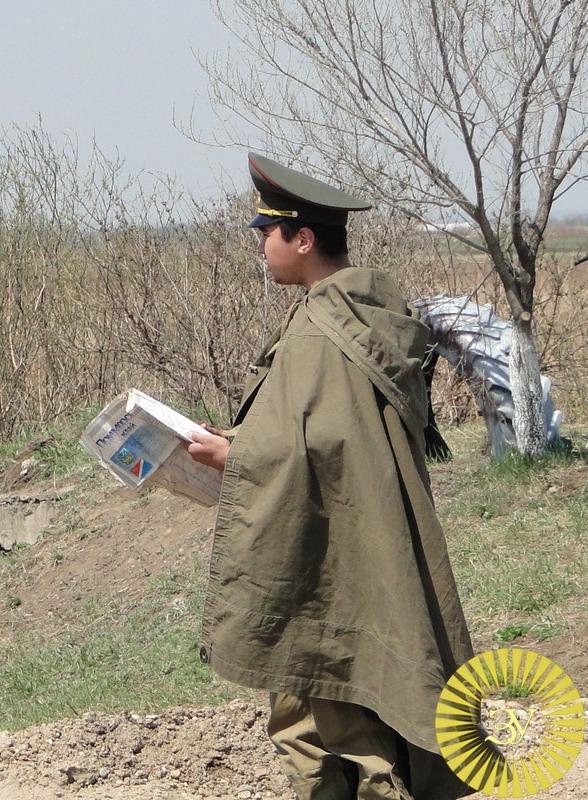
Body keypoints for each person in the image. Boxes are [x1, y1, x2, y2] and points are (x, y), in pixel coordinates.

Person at [184, 154, 474, 800]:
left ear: (303, 239)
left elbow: (322, 441)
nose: (261, 246)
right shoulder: (367, 310)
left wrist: (233, 457)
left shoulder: (322, 327)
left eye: (267, 233)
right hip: (362, 538)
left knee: (339, 712)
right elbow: (323, 428)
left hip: (330, 555)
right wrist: (243, 438)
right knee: (338, 698)